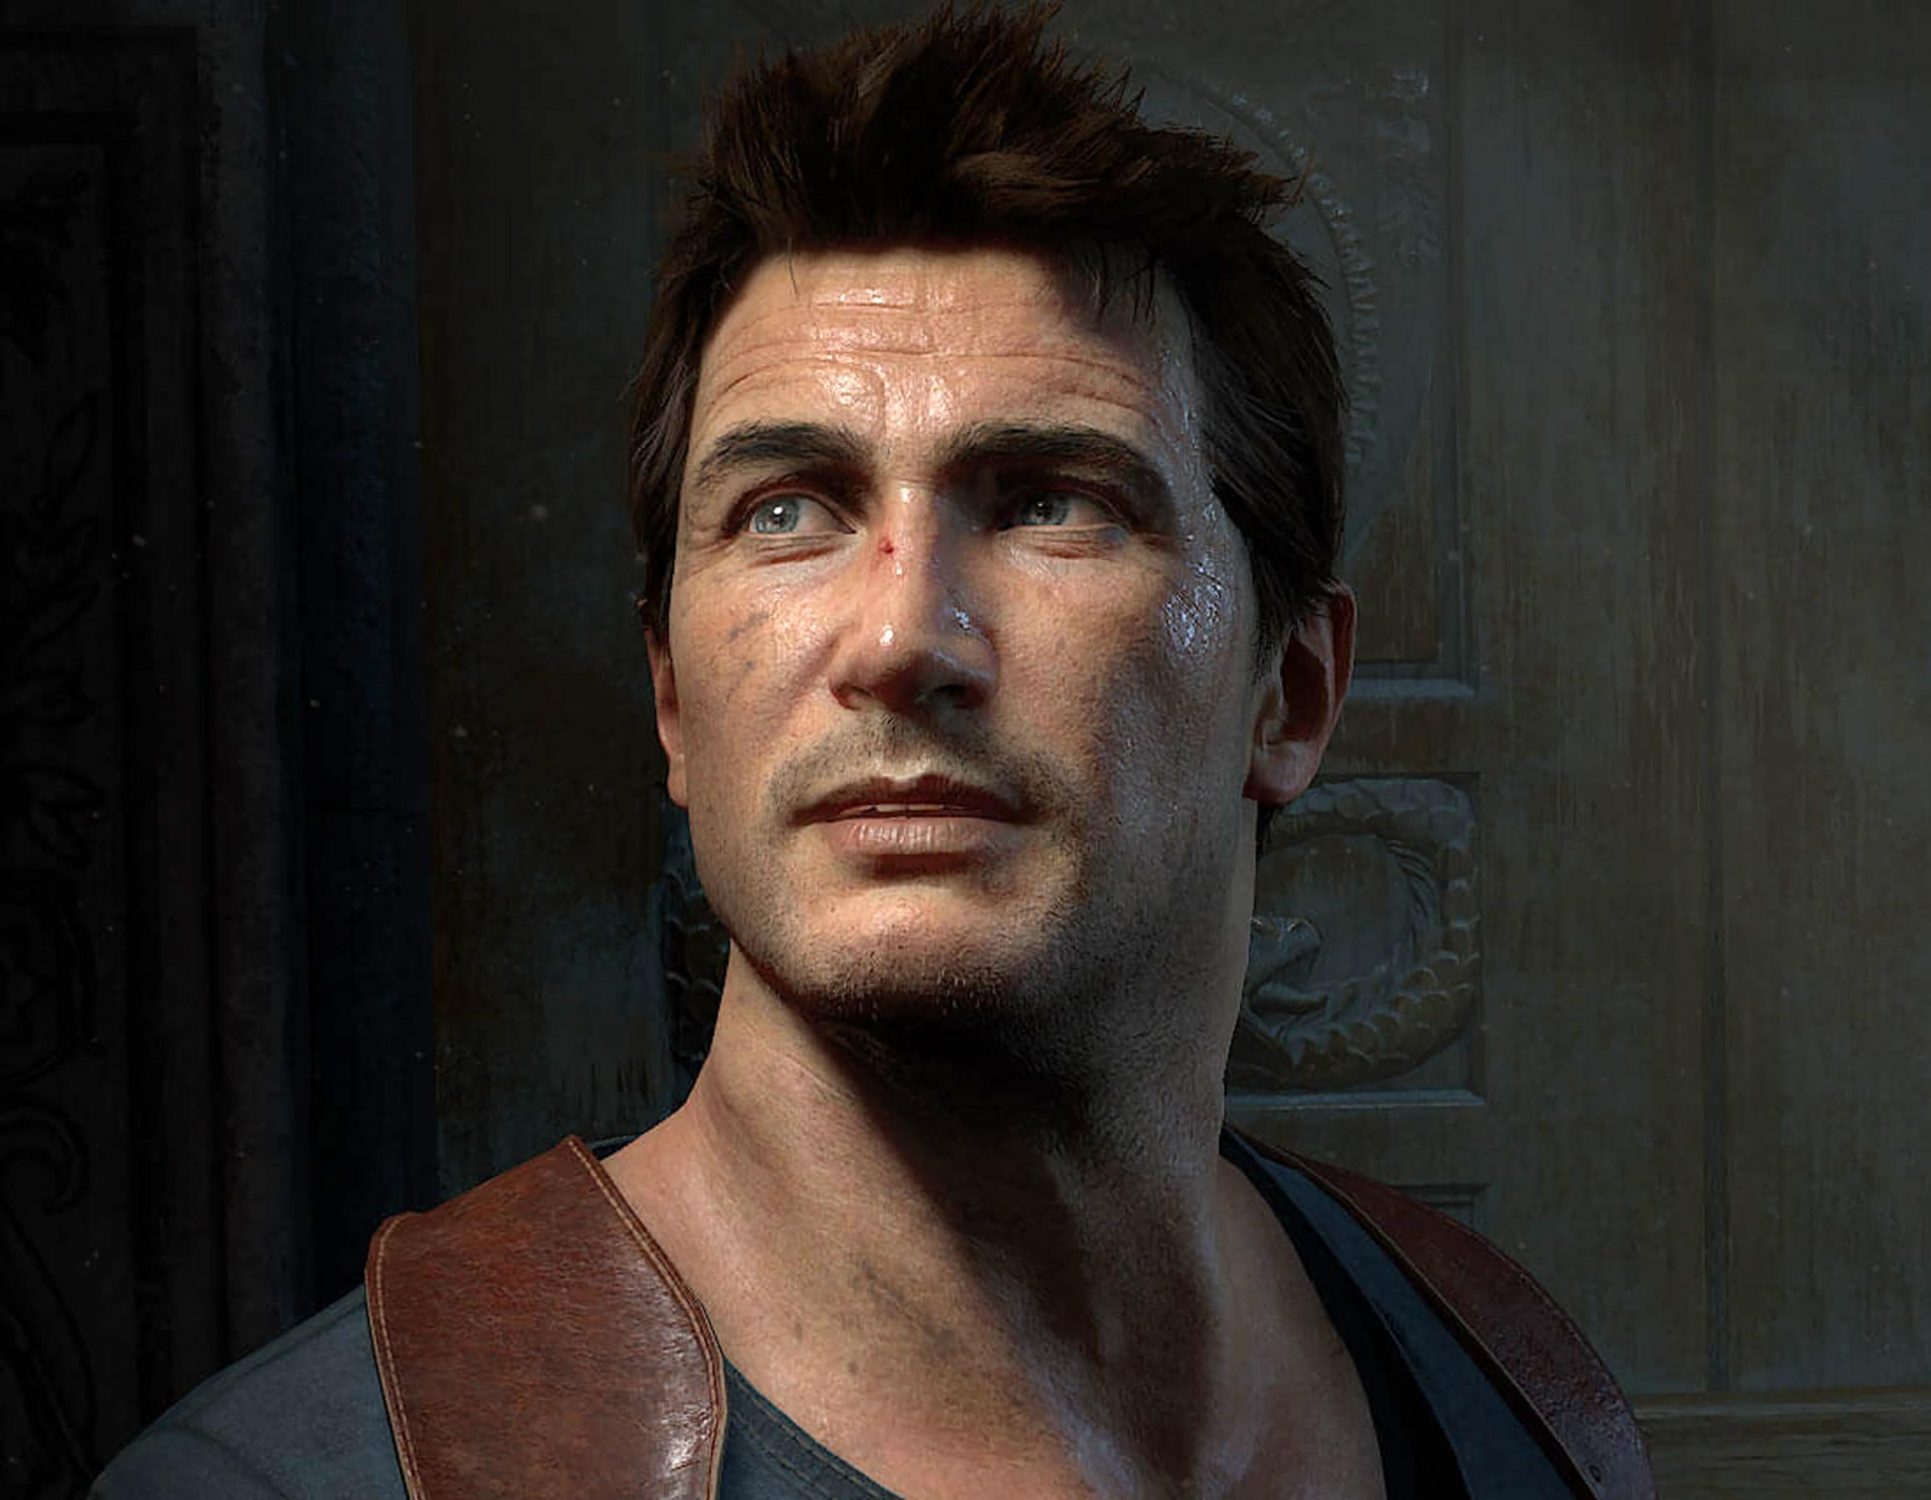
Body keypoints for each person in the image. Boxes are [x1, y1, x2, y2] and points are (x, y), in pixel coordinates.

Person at [94, 5, 1654, 1497]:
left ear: (1291, 694)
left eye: (1050, 501)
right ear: (673, 697)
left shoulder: (1507, 1389)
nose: (903, 637)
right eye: (787, 512)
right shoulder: (283, 1485)